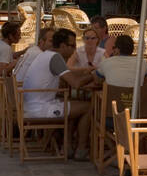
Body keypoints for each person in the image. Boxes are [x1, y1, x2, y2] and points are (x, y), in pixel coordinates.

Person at [18, 28, 93, 160]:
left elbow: (66, 79)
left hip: (30, 106)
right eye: (73, 46)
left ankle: (67, 147)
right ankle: (81, 149)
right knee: (87, 107)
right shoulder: (55, 57)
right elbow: (75, 83)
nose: (75, 50)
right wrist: (94, 75)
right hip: (39, 109)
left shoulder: (46, 54)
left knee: (71, 104)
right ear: (63, 46)